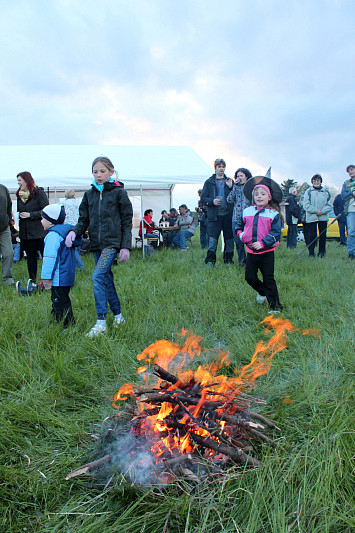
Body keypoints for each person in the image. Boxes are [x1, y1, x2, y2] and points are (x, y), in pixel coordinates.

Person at [65, 156, 133, 338]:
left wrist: (125, 246)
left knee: (97, 276)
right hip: (96, 244)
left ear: (111, 171)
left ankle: (101, 321)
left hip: (112, 244)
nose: (99, 175)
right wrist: (74, 231)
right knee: (106, 279)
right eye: (95, 172)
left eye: (102, 171)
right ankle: (118, 316)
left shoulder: (119, 193)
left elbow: (127, 221)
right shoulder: (89, 195)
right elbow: (83, 220)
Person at [236, 179, 283, 313]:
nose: (259, 196)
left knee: (268, 279)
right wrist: (242, 235)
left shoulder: (273, 214)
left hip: (267, 252)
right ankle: (263, 292)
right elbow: (238, 226)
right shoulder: (247, 211)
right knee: (249, 277)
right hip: (251, 252)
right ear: (253, 198)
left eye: (263, 194)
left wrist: (263, 243)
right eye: (256, 194)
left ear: (269, 197)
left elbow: (276, 233)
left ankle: (275, 307)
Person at [39, 204, 79, 328]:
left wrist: (46, 278)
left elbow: (49, 259)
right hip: (67, 276)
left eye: (43, 218)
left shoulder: (52, 236)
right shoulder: (65, 232)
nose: (41, 221)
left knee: (60, 302)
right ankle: (56, 321)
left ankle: (68, 326)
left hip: (58, 277)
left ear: (51, 221)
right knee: (61, 300)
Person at [16, 171, 49, 281]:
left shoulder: (39, 193)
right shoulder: (19, 194)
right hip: (26, 233)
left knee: (46, 256)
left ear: (27, 180)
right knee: (30, 257)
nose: (18, 183)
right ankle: (33, 280)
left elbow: (45, 211)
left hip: (39, 232)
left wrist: (31, 215)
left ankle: (49, 279)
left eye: (20, 180)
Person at [201, 158, 234, 265]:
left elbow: (235, 196)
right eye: (219, 166)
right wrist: (212, 201)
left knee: (229, 240)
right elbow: (203, 198)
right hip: (214, 216)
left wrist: (231, 187)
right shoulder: (209, 182)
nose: (221, 169)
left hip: (228, 215)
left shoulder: (229, 181)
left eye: (223, 166)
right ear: (215, 168)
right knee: (213, 240)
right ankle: (210, 261)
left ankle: (228, 261)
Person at [226, 168, 252, 265]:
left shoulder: (251, 187)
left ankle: (251, 261)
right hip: (236, 218)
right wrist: (234, 187)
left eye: (241, 176)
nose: (239, 178)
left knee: (249, 241)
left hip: (249, 218)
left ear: (247, 177)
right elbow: (229, 199)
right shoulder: (235, 187)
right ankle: (242, 262)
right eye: (237, 176)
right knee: (238, 242)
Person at [303, 174, 332, 257]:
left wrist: (322, 211)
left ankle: (322, 253)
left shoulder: (326, 192)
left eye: (318, 180)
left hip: (323, 217)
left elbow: (329, 205)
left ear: (321, 182)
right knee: (312, 236)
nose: (316, 182)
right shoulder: (308, 191)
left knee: (322, 236)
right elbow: (306, 205)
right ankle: (311, 253)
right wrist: (316, 211)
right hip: (312, 217)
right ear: (312, 182)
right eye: (314, 181)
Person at [63, 189, 85, 270]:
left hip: (69, 227)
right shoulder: (79, 203)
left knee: (72, 249)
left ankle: (80, 267)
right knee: (77, 248)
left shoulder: (63, 204)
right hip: (79, 226)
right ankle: (75, 266)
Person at [0, 183, 15, 286]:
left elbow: (9, 205)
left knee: (8, 253)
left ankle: (7, 279)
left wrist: (9, 221)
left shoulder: (3, 188)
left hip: (4, 228)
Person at [341, 164, 355, 259]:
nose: (350, 172)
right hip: (351, 210)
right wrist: (352, 193)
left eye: (351, 169)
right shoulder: (346, 183)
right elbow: (343, 195)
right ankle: (351, 253)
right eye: (348, 171)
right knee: (351, 231)